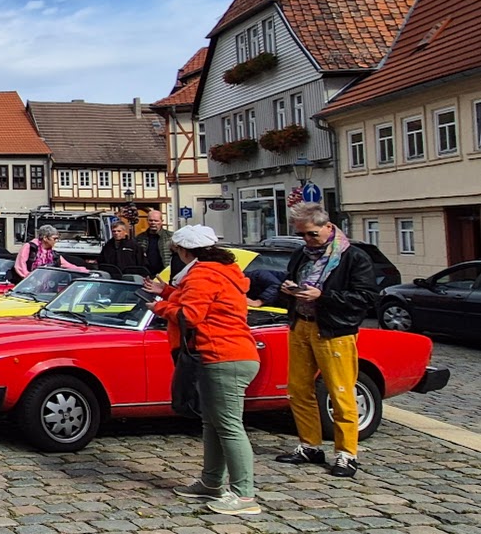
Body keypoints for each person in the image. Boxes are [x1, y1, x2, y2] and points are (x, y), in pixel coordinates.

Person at [140, 225, 261, 515]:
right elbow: (200, 300)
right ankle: (211, 482)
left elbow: (189, 315)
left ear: (183, 252)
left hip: (222, 355)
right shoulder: (221, 272)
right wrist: (167, 291)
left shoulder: (202, 275)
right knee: (213, 422)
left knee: (230, 426)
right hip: (228, 353)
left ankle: (244, 495)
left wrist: (159, 306)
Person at [275, 202, 376, 479]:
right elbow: (290, 281)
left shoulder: (352, 257)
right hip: (301, 325)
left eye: (312, 234)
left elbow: (366, 298)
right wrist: (287, 290)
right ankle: (310, 445)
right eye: (302, 235)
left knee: (340, 392)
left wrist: (324, 297)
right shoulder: (301, 255)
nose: (307, 240)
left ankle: (346, 453)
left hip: (334, 331)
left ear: (328, 227)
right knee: (298, 389)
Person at [13, 226, 90, 282]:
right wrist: (29, 278)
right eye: (54, 238)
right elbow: (20, 266)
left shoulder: (54, 254)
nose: (56, 241)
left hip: (46, 287)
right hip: (27, 286)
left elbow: (68, 266)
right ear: (45, 238)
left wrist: (85, 271)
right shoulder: (29, 247)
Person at [136, 210, 174, 278]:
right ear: (147, 221)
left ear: (161, 221)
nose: (153, 223)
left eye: (156, 221)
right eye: (150, 220)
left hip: (165, 273)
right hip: (146, 274)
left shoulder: (170, 237)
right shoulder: (140, 238)